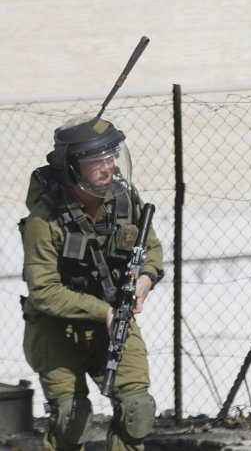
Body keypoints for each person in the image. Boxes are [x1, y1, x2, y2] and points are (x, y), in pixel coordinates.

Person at [19, 115, 164, 451]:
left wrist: (146, 278)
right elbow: (44, 291)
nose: (108, 167)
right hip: (58, 329)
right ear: (73, 168)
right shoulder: (45, 218)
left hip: (115, 320)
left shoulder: (125, 200)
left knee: (137, 410)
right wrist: (103, 311)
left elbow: (151, 249)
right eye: (95, 161)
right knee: (72, 420)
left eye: (111, 156)